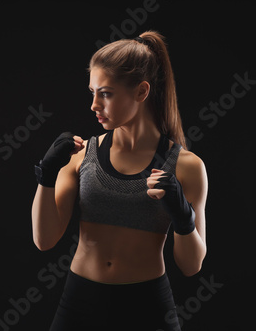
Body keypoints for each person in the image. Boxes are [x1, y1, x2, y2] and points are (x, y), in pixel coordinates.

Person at [31, 30, 208, 330]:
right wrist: (46, 176)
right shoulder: (80, 155)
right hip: (80, 303)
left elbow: (192, 266)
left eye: (106, 93)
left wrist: (182, 215)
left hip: (147, 306)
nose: (94, 105)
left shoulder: (186, 167)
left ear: (141, 91)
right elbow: (44, 240)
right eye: (92, 92)